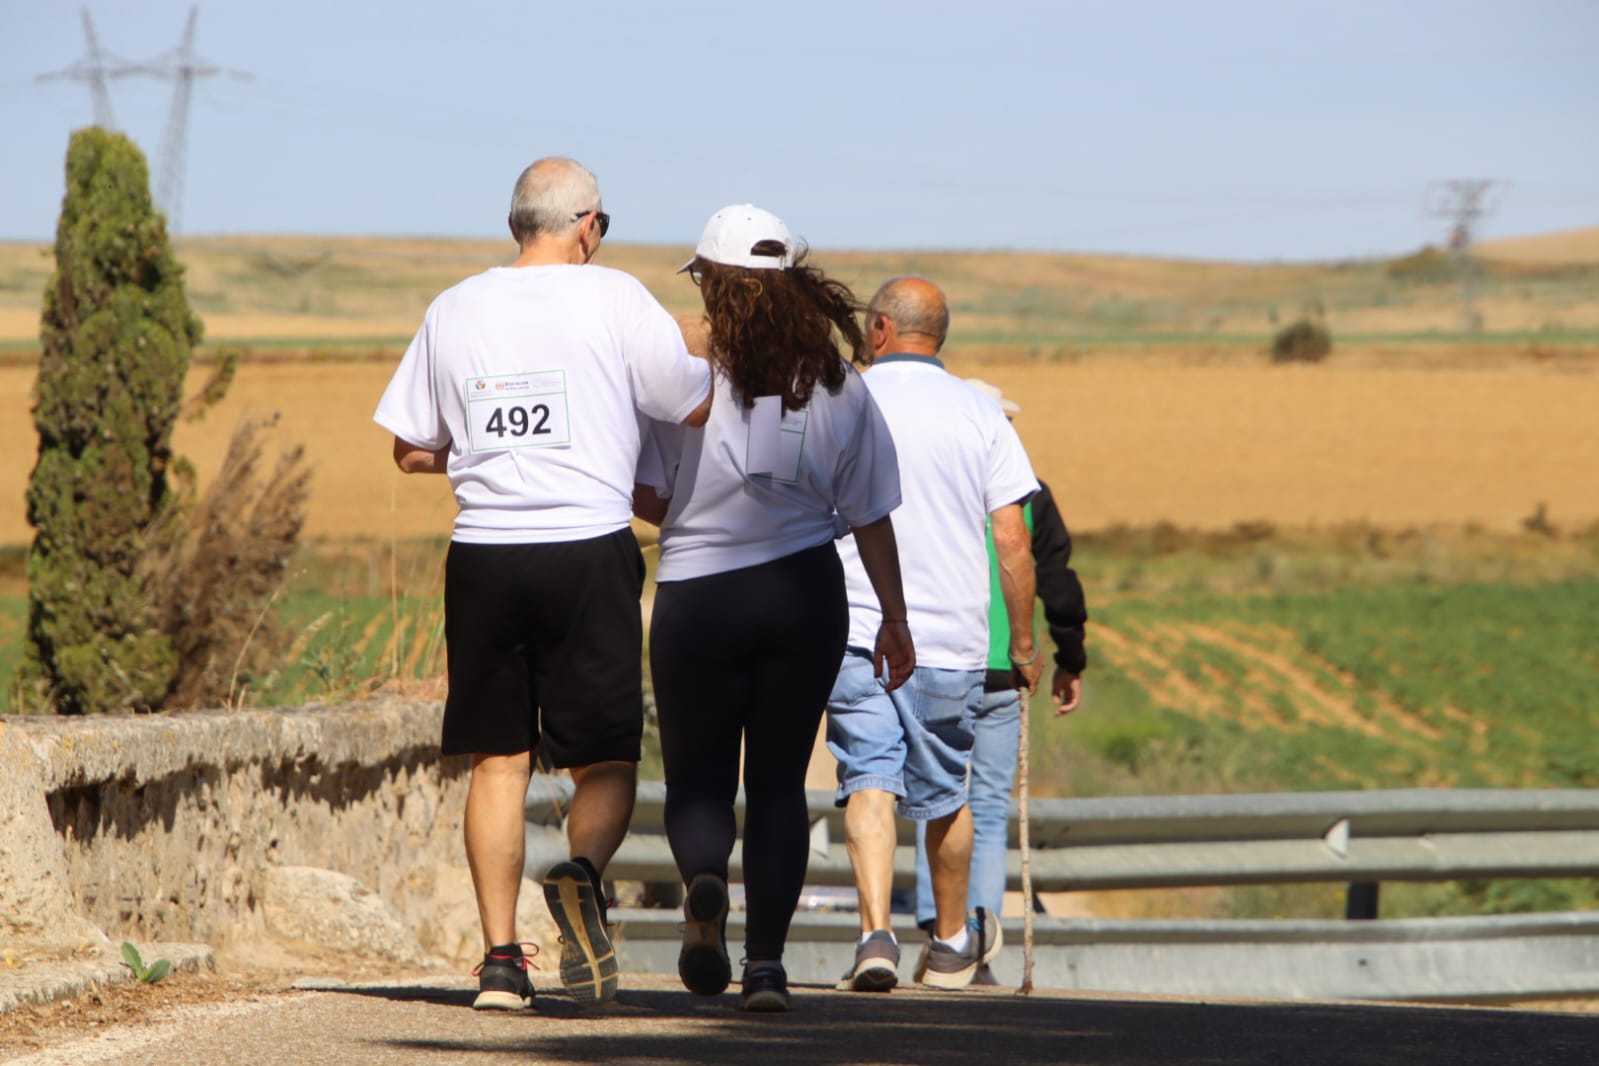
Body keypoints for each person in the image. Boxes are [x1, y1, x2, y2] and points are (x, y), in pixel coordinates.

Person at [372, 157, 713, 1011]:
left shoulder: (452, 307)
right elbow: (689, 406)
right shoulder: (615, 297)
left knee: (498, 762)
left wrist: (488, 447)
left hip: (483, 554)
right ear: (587, 225)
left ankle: (497, 964)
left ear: (517, 223)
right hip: (587, 548)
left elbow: (410, 447)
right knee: (606, 754)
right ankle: (582, 876)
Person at [634, 204, 915, 1013]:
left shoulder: (682, 383)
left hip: (697, 594)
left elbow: (652, 495)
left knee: (697, 779)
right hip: (803, 594)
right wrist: (893, 618)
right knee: (780, 785)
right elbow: (871, 516)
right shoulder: (840, 386)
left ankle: (701, 884)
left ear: (710, 287)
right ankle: (764, 968)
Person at [827, 276, 1041, 992]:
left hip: (855, 623)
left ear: (880, 329)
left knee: (868, 779)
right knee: (945, 794)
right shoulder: (981, 416)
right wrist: (1019, 645)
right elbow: (1012, 540)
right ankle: (951, 945)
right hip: (950, 639)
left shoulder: (843, 399)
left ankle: (875, 935)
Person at [911, 379, 1088, 985]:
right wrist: (1070, 658)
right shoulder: (1032, 496)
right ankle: (978, 942)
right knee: (985, 807)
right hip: (1003, 672)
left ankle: (942, 930)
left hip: (938, 659)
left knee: (933, 796)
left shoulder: (929, 484)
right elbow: (1057, 579)